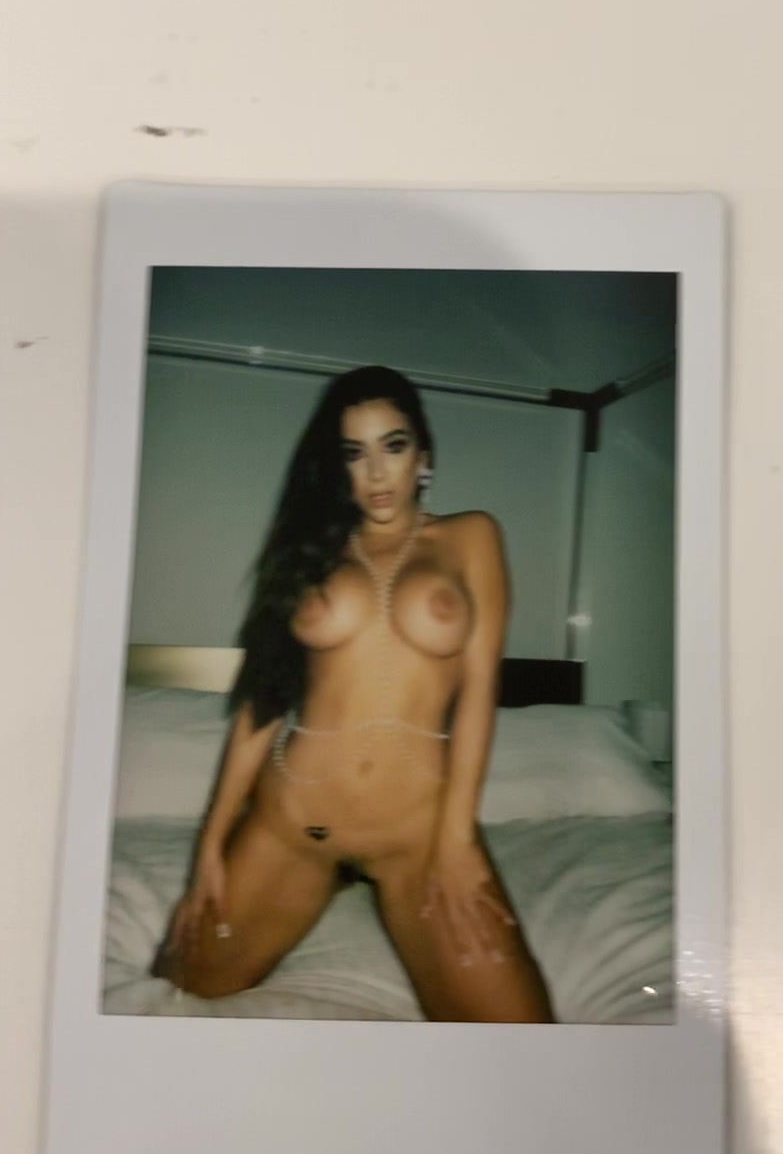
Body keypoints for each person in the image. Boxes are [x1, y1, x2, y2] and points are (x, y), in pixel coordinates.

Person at [153, 363, 555, 1023]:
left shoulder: (472, 537)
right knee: (169, 1003)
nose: (375, 472)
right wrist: (210, 849)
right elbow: (263, 704)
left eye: (393, 446)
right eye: (353, 453)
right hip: (295, 825)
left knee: (523, 1041)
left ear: (423, 456)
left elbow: (480, 695)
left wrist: (457, 840)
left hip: (418, 835)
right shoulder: (311, 553)